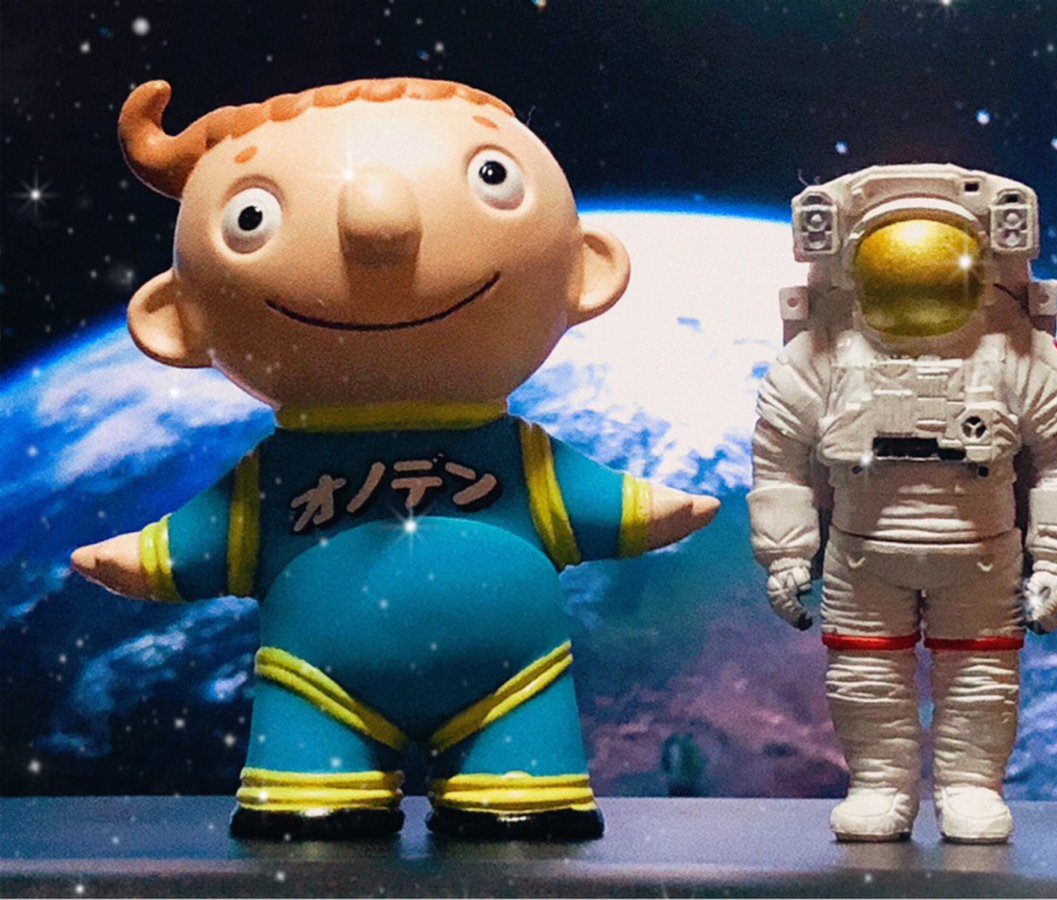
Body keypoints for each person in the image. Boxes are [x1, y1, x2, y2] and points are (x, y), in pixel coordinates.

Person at [72, 78, 719, 841]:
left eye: (492, 178)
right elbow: (217, 535)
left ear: (588, 269)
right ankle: (327, 789)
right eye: (251, 218)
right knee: (316, 844)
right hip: (314, 685)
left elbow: (591, 501)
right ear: (176, 321)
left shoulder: (517, 456)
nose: (378, 224)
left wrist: (645, 509)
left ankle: (499, 788)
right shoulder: (287, 471)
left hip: (516, 684)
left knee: (520, 846)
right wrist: (153, 555)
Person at [749, 164, 1057, 843]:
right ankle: (879, 785)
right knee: (867, 675)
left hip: (980, 555)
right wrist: (787, 553)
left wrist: (1056, 561)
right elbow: (781, 463)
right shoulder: (820, 358)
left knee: (981, 677)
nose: (917, 291)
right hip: (864, 555)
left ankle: (971, 787)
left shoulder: (1020, 357)